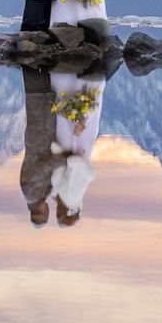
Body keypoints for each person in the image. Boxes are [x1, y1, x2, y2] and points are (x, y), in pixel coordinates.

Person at [49, 69, 106, 226]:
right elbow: (63, 174)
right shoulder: (70, 196)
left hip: (76, 149)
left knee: (78, 108)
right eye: (58, 215)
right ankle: (75, 72)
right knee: (71, 111)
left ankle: (88, 75)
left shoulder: (69, 197)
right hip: (72, 148)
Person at [19, 67, 61, 226]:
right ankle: (38, 62)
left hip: (38, 138)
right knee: (41, 99)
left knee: (37, 100)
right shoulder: (37, 195)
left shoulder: (31, 194)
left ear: (44, 213)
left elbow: (41, 167)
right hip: (41, 136)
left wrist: (63, 160)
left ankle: (32, 63)